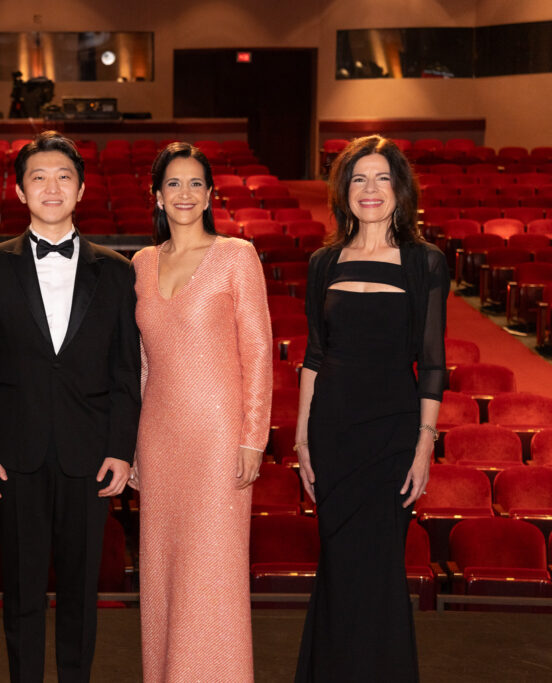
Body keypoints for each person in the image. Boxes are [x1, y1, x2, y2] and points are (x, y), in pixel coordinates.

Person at [0, 130, 141, 683]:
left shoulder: (117, 270)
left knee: (84, 591)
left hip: (90, 456)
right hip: (14, 454)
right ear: (19, 192)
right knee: (21, 591)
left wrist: (121, 449)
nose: (52, 186)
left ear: (81, 189)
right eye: (38, 176)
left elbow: (125, 372)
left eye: (64, 175)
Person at [294, 135, 448, 681]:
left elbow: (432, 364)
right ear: (344, 191)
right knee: (336, 565)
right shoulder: (323, 261)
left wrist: (425, 445)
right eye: (359, 178)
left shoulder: (424, 263)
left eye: (382, 178)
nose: (371, 189)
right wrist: (302, 440)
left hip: (392, 434)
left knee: (380, 567)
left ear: (400, 190)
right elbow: (314, 355)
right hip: (333, 434)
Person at [129, 142, 273, 682]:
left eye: (195, 184)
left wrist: (252, 438)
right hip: (159, 438)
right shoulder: (142, 263)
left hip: (219, 438)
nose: (184, 194)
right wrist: (135, 447)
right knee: (163, 572)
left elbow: (258, 351)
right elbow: (143, 360)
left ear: (211, 194)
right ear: (157, 196)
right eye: (173, 184)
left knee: (213, 571)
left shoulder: (237, 256)